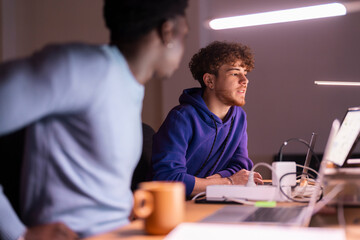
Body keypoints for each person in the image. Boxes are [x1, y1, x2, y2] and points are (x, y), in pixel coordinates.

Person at [0, 0, 189, 239]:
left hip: (121, 231)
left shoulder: (128, 84)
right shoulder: (80, 67)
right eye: (185, 34)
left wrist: (124, 203)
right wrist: (17, 233)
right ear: (167, 31)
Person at [151, 41, 263, 198]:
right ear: (210, 81)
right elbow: (168, 179)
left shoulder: (239, 117)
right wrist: (228, 182)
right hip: (176, 207)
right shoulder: (181, 119)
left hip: (209, 200)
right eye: (235, 73)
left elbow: (241, 165)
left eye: (245, 73)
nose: (245, 80)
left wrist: (217, 180)